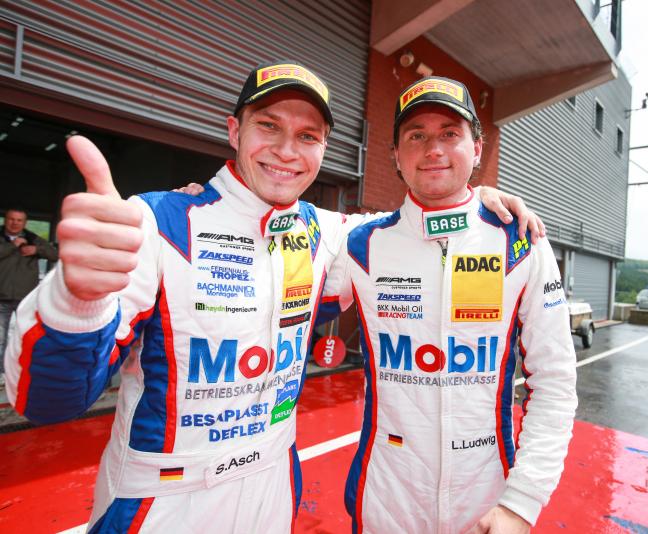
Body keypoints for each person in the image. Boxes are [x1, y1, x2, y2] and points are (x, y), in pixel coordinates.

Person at [3, 62, 542, 532]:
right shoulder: (157, 223)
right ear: (234, 130)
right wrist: (75, 300)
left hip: (273, 484)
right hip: (161, 500)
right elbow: (50, 403)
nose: (287, 151)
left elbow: (416, 225)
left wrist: (475, 200)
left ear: (323, 149)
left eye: (308, 136)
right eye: (269, 126)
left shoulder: (332, 236)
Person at [321, 76, 577, 533]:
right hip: (386, 498)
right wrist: (202, 204)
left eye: (449, 134)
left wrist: (522, 503)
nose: (433, 149)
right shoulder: (358, 242)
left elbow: (555, 381)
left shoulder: (521, 241)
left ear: (477, 149)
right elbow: (272, 227)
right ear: (395, 154)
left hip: (487, 499)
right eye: (416, 135)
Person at [0, 208, 58, 384]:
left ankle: (20, 371)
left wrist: (36, 249)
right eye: (11, 219)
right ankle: (1, 374)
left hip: (25, 298)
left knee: (25, 336)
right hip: (1, 297)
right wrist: (13, 246)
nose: (15, 223)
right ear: (5, 220)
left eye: (19, 220)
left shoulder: (32, 238)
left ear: (24, 223)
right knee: (0, 338)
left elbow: (54, 254)